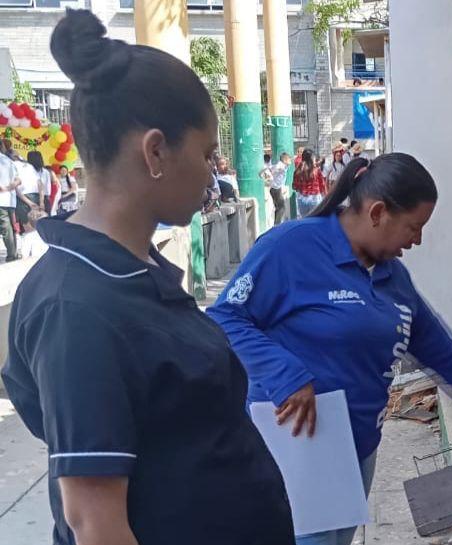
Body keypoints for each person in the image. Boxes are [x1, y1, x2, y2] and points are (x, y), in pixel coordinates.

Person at [0, 10, 294, 545]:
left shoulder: (132, 272)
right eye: (206, 153)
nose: (213, 171)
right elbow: (96, 522)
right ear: (156, 151)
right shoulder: (79, 307)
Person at [207, 153, 452, 545]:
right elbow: (224, 318)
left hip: (357, 451)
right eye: (414, 226)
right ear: (378, 212)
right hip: (295, 451)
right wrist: (286, 374)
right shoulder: (291, 249)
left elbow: (445, 355)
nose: (418, 239)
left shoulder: (393, 278)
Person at [15, 151, 46, 231]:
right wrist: (41, 201)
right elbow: (40, 185)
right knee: (39, 226)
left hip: (23, 199)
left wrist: (29, 202)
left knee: (28, 227)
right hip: (35, 197)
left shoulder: (13, 165)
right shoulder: (32, 168)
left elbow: (16, 188)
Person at [0, 139, 20, 261]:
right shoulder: (9, 161)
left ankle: (12, 254)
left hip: (2, 199)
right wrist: (9, 187)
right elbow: (18, 180)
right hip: (11, 199)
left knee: (6, 226)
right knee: (10, 226)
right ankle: (13, 252)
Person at [292, 148, 326, 216]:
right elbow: (322, 185)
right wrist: (325, 196)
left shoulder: (298, 171)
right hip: (315, 198)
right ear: (311, 158)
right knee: (315, 220)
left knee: (305, 220)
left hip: (302, 198)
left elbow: (294, 186)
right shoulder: (316, 170)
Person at [269, 152, 291, 225]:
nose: (290, 161)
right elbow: (275, 168)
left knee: (278, 207)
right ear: (285, 160)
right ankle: (277, 224)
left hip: (275, 188)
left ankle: (277, 222)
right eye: (289, 159)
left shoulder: (284, 166)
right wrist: (273, 171)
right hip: (276, 189)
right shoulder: (281, 165)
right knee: (281, 207)